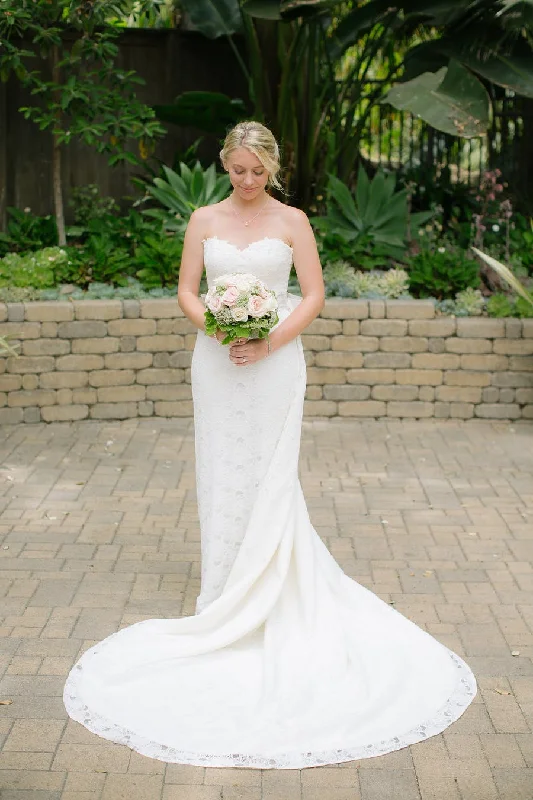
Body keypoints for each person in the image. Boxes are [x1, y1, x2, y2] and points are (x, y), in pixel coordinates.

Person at [63, 121, 477, 770]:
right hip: (218, 361)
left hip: (278, 361)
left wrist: (267, 340)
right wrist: (222, 331)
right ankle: (223, 590)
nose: (247, 182)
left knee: (269, 472)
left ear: (273, 168)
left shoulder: (293, 221)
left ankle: (273, 582)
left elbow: (311, 295)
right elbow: (185, 291)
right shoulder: (202, 217)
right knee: (222, 467)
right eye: (237, 170)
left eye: (257, 171)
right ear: (224, 165)